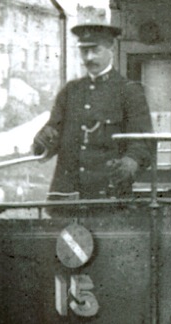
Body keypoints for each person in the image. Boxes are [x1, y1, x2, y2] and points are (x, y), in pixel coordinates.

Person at [33, 22, 153, 200]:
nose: (89, 58)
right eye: (84, 51)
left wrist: (131, 161)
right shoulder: (70, 91)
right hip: (66, 195)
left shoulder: (128, 91)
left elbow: (143, 141)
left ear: (110, 48)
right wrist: (42, 140)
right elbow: (50, 140)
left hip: (108, 196)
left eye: (96, 50)